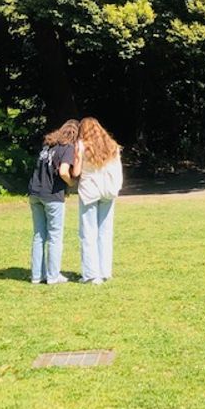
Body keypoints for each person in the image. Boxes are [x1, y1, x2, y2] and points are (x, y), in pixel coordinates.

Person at [27, 119, 79, 285]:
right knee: (55, 236)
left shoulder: (47, 145)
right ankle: (53, 275)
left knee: (39, 235)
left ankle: (36, 276)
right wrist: (71, 183)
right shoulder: (68, 147)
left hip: (35, 192)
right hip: (52, 194)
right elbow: (64, 171)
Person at [72, 117, 123, 284]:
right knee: (105, 232)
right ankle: (105, 271)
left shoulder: (81, 145)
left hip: (89, 191)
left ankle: (91, 274)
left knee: (88, 233)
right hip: (108, 190)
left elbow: (77, 172)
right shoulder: (112, 146)